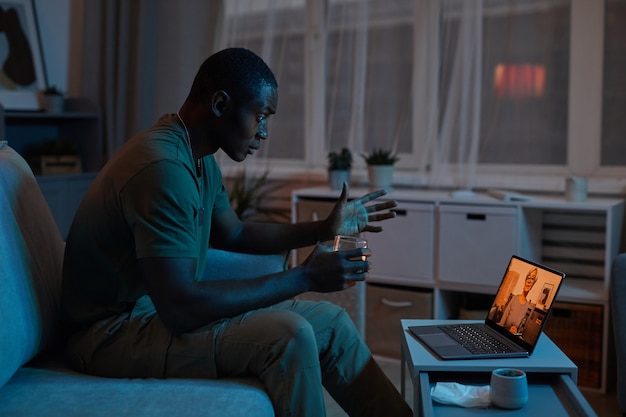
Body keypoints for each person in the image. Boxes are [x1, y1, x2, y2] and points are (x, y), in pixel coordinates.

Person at [61, 47, 412, 417]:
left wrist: (325, 228)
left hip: (148, 312)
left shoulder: (197, 158)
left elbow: (235, 233)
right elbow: (181, 308)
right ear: (220, 104)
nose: (263, 132)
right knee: (288, 337)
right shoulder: (162, 168)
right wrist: (305, 276)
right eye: (260, 116)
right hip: (108, 335)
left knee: (332, 324)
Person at [497, 267, 538, 335]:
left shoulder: (527, 306)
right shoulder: (514, 298)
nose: (529, 280)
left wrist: (516, 333)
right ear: (525, 280)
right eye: (528, 277)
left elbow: (519, 331)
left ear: (533, 285)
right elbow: (501, 323)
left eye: (533, 278)